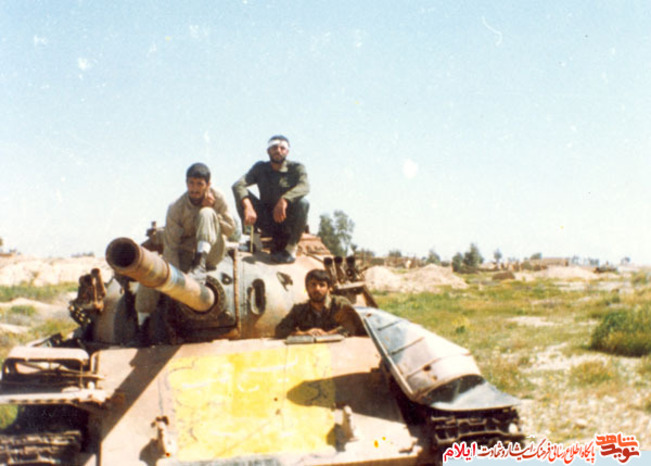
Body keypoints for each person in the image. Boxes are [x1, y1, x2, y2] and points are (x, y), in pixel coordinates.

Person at [232, 135, 309, 264]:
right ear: (268, 151)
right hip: (268, 220)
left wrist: (284, 199)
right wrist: (248, 206)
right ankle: (254, 241)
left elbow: (305, 186)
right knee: (242, 195)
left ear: (287, 152)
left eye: (282, 148)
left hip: (287, 223)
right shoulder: (260, 168)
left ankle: (291, 249)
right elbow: (238, 185)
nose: (278, 150)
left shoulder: (296, 168)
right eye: (274, 147)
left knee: (303, 203)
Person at [163, 162, 237, 281]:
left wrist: (213, 211)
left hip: (212, 253)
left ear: (208, 185)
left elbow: (230, 229)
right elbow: (171, 246)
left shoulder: (217, 198)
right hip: (187, 255)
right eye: (191, 183)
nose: (194, 188)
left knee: (206, 212)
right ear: (186, 183)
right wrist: (174, 278)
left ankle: (200, 265)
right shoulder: (176, 207)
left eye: (199, 184)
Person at [274, 269, 365, 339]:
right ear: (307, 288)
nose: (317, 289)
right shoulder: (300, 310)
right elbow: (280, 330)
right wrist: (304, 333)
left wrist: (328, 334)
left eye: (322, 285)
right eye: (313, 284)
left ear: (328, 288)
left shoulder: (338, 304)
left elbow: (353, 325)